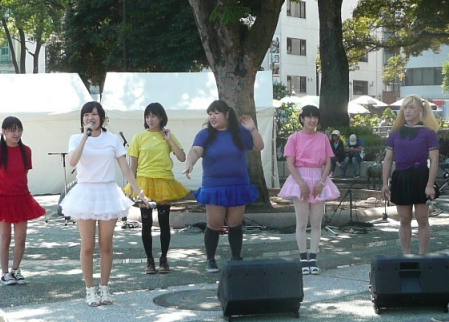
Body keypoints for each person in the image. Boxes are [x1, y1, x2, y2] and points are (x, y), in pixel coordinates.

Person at [61, 101, 145, 306]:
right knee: (87, 245)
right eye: (86, 115)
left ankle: (105, 288)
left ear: (102, 118)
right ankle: (90, 290)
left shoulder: (112, 139)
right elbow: (72, 162)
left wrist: (139, 192)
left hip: (108, 192)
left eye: (94, 114)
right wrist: (85, 137)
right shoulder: (75, 138)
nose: (90, 118)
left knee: (106, 245)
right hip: (85, 192)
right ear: (82, 119)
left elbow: (126, 169)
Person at [184, 99, 265, 273]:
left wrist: (252, 129)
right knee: (214, 223)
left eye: (216, 113)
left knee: (235, 223)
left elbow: (259, 146)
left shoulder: (240, 133)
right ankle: (210, 259)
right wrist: (190, 163)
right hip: (214, 185)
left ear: (227, 114)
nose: (212, 117)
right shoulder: (205, 134)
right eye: (210, 114)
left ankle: (236, 257)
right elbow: (196, 150)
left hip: (238, 184)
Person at [0, 116, 45, 284]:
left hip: (21, 197)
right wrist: (2, 187)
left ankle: (16, 270)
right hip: (1, 198)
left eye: (19, 130)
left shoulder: (26, 150)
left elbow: (24, 172)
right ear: (4, 132)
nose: (16, 134)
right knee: (5, 238)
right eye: (12, 130)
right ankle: (4, 273)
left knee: (21, 238)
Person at [127, 102, 189, 274]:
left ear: (161, 117)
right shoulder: (138, 137)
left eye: (153, 116)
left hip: (164, 181)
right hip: (144, 183)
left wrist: (169, 140)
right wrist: (132, 187)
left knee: (163, 222)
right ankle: (149, 260)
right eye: (147, 116)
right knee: (146, 223)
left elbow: (182, 157)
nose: (150, 119)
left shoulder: (168, 136)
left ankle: (163, 259)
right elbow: (132, 165)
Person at [278, 105, 340, 275]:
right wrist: (301, 183)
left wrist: (322, 182)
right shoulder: (294, 138)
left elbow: (328, 162)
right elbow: (290, 164)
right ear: (302, 118)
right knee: (301, 222)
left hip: (319, 178)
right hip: (299, 178)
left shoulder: (323, 138)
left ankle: (313, 257)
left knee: (317, 222)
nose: (312, 120)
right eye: (309, 117)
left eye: (315, 117)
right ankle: (302, 257)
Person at [380, 95, 440, 255]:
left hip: (421, 177)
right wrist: (385, 183)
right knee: (404, 219)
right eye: (405, 107)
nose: (407, 111)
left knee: (422, 218)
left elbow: (434, 160)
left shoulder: (429, 133)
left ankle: (422, 255)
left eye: (411, 107)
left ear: (420, 109)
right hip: (401, 177)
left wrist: (430, 184)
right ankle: (406, 254)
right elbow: (387, 159)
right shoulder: (395, 133)